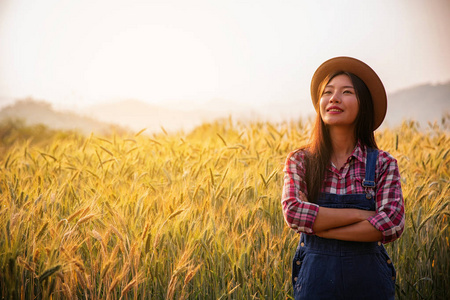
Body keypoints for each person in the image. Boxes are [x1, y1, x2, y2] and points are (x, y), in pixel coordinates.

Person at [281, 56, 405, 300]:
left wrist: (322, 229)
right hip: (315, 288)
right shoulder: (300, 162)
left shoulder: (382, 164)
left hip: (369, 289)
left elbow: (391, 223)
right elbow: (294, 213)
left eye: (346, 91)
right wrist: (361, 216)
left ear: (364, 105)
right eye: (327, 92)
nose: (334, 98)